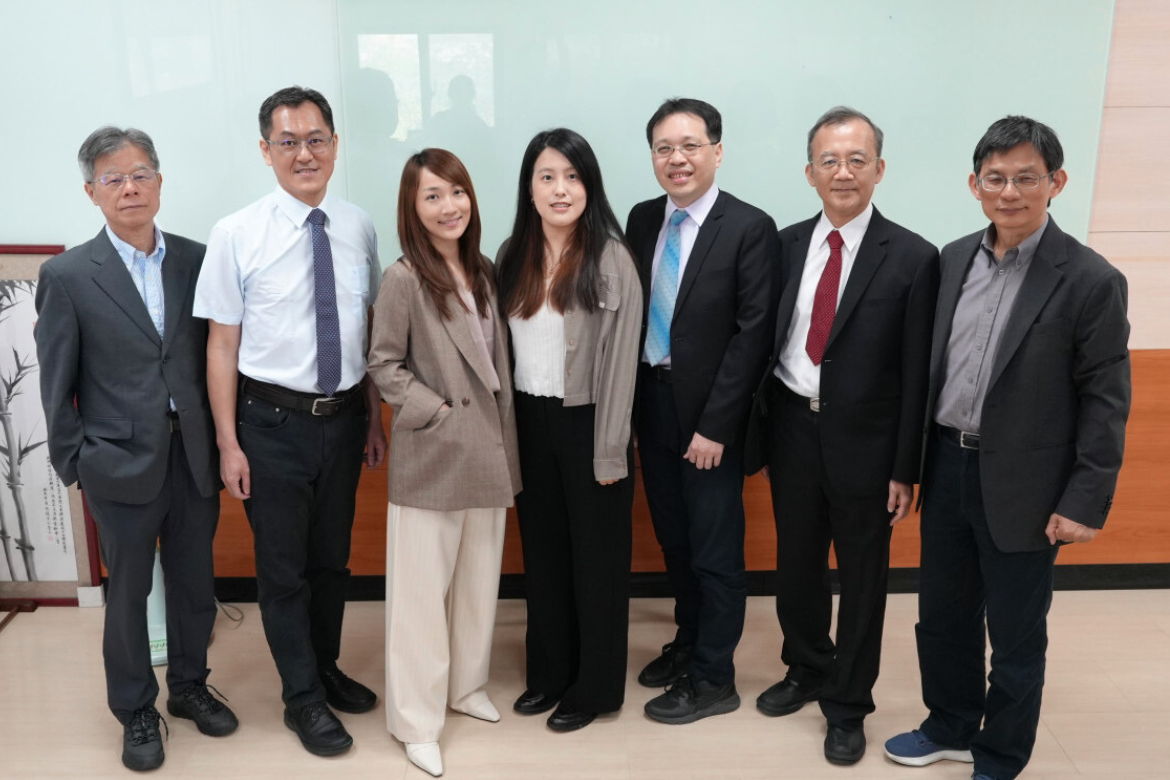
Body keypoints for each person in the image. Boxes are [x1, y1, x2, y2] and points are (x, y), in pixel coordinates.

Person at [884, 116, 1131, 780]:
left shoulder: (1088, 279)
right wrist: (908, 469)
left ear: (1057, 182)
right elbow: (926, 373)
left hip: (1028, 483)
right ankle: (950, 724)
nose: (1010, 191)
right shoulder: (953, 257)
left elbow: (1106, 402)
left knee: (1017, 634)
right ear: (974, 184)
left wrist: (1085, 499)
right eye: (996, 177)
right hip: (946, 463)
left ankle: (1001, 752)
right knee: (941, 617)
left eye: (1027, 177)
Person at [35, 126, 237, 771]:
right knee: (126, 594)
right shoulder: (66, 275)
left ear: (159, 180)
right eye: (113, 178)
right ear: (91, 192)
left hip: (193, 454)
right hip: (116, 461)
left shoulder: (196, 258)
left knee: (194, 582)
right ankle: (135, 708)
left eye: (140, 173)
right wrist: (76, 462)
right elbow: (55, 381)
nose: (129, 187)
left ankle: (189, 687)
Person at [193, 86, 387, 757]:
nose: (304, 153)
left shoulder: (359, 225)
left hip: (344, 417)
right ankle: (300, 698)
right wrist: (228, 442)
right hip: (270, 424)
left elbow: (368, 331)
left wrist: (372, 416)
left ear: (335, 145)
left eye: (316, 139)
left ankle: (324, 669)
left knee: (332, 562)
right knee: (283, 572)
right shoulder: (236, 234)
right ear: (266, 151)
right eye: (289, 141)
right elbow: (221, 344)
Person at [742, 107, 938, 765]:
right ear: (809, 172)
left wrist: (906, 468)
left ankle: (849, 704)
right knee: (795, 564)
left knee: (861, 579)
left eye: (857, 159)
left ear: (879, 169)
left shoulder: (913, 257)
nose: (843, 172)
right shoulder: (786, 243)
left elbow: (917, 376)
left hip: (870, 444)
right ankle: (805, 666)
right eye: (829, 160)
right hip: (794, 426)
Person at [367, 148, 520, 777]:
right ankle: (416, 720)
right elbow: (382, 364)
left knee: (479, 582)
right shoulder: (403, 277)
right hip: (434, 450)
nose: (448, 205)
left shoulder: (483, 268)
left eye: (456, 191)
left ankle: (464, 688)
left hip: (488, 448)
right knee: (420, 598)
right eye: (432, 195)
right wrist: (434, 412)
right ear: (413, 207)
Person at [626, 97, 779, 723]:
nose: (677, 158)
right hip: (652, 406)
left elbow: (754, 335)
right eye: (664, 148)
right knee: (675, 541)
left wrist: (716, 426)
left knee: (715, 551)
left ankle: (716, 677)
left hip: (712, 419)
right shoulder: (641, 219)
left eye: (690, 145)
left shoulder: (749, 226)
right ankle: (688, 644)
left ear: (717, 150)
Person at [496, 128, 643, 732]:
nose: (561, 189)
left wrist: (608, 451)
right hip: (530, 421)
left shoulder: (610, 256)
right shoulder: (511, 256)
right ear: (529, 189)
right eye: (547, 177)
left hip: (591, 424)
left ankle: (595, 687)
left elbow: (622, 363)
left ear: (590, 185)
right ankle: (549, 674)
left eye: (573, 177)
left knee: (597, 563)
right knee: (546, 557)